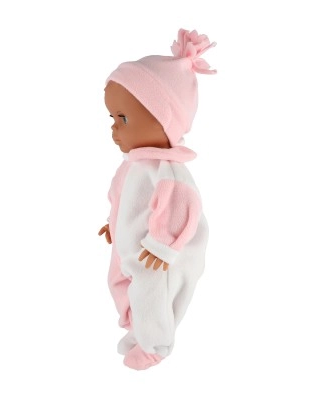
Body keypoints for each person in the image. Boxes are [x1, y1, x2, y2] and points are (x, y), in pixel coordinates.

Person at [98, 28, 216, 370]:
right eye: (112, 118)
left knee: (152, 295)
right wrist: (112, 224)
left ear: (163, 120)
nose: (114, 128)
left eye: (123, 118)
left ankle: (155, 345)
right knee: (123, 286)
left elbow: (181, 208)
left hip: (158, 257)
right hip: (135, 250)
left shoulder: (168, 171)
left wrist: (163, 245)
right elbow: (123, 198)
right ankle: (138, 332)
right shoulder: (135, 164)